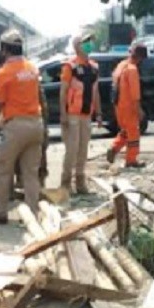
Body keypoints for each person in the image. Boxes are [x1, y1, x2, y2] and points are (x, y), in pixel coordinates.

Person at [0, 30, 44, 224]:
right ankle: (32, 214)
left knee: (3, 170)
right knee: (30, 173)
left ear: (4, 49)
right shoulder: (32, 68)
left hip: (15, 127)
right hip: (35, 124)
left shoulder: (4, 73)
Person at [60, 33, 102, 193]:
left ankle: (80, 182)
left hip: (86, 114)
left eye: (90, 42)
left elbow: (96, 92)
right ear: (77, 46)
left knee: (83, 150)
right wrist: (63, 114)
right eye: (86, 42)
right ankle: (65, 183)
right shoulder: (70, 67)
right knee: (72, 150)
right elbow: (63, 91)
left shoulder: (94, 67)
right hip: (72, 114)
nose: (89, 45)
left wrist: (99, 113)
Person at [107, 43, 146, 168]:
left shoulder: (121, 65)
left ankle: (114, 148)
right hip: (129, 106)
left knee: (125, 131)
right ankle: (131, 160)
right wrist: (139, 110)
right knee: (133, 133)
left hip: (118, 105)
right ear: (140, 57)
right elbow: (135, 94)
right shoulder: (132, 70)